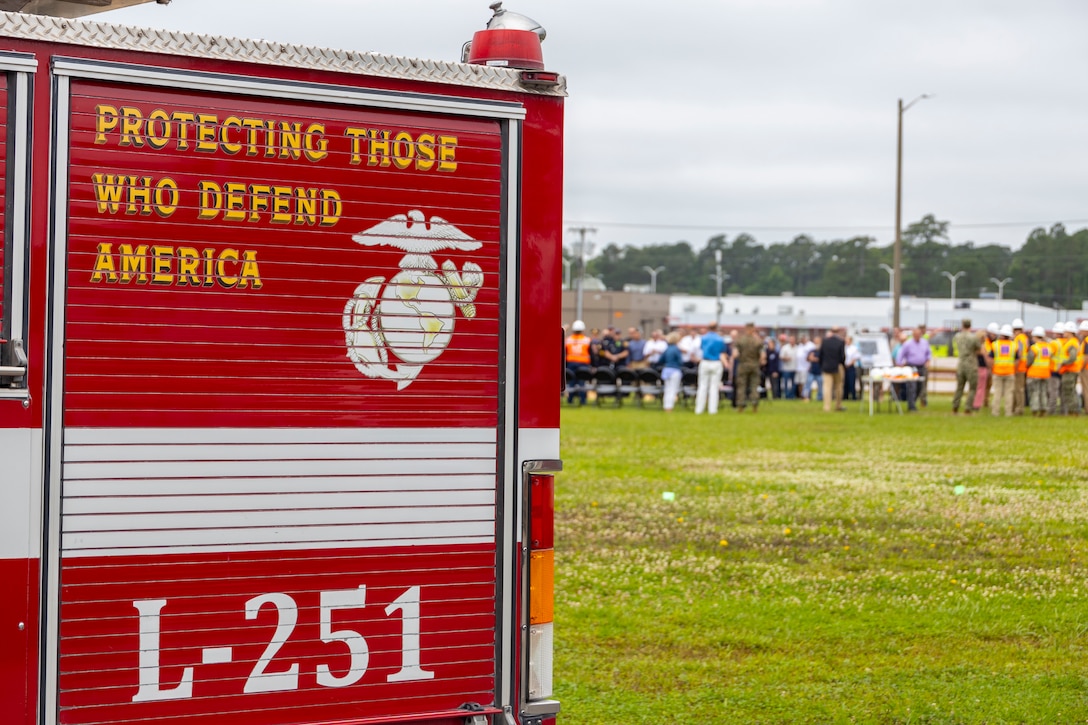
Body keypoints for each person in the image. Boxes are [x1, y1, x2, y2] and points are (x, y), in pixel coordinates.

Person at [895, 325, 931, 412]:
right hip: (911, 366)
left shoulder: (924, 343)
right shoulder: (908, 344)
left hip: (921, 367)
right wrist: (899, 363)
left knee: (920, 386)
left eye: (919, 334)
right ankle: (911, 406)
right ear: (913, 335)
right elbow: (901, 354)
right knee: (912, 386)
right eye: (916, 335)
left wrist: (928, 361)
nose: (917, 336)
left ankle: (913, 401)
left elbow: (928, 353)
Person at [694, 323, 729, 414]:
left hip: (705, 361)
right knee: (714, 387)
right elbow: (722, 351)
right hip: (716, 362)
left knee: (702, 386)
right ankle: (712, 409)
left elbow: (702, 348)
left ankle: (699, 409)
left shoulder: (703, 338)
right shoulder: (720, 339)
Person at [950, 318, 981, 414]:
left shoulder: (957, 336)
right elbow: (978, 349)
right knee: (972, 387)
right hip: (971, 363)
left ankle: (955, 406)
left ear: (962, 325)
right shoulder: (973, 337)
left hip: (961, 363)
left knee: (959, 386)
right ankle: (968, 407)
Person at [733, 322, 764, 412]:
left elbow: (735, 354)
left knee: (741, 386)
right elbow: (763, 356)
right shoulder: (758, 341)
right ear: (753, 329)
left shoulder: (740, 340)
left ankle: (741, 406)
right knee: (754, 386)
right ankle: (754, 406)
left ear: (746, 329)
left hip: (743, 365)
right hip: (754, 365)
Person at [989, 324, 1019, 417]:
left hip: (997, 372)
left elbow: (991, 359)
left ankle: (995, 412)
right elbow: (1017, 360)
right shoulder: (1014, 345)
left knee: (997, 393)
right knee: (1009, 393)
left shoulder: (995, 345)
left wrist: (992, 368)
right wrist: (1014, 369)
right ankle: (1008, 412)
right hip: (1010, 372)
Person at [818, 327, 847, 412]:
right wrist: (842, 365)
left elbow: (820, 355)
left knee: (827, 387)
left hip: (826, 366)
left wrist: (822, 364)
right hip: (837, 366)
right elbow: (842, 356)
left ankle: (827, 407)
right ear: (838, 332)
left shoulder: (825, 341)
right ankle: (838, 405)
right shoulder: (841, 342)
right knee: (838, 386)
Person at [1025, 326, 1052, 417]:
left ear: (1035, 337)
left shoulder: (1034, 348)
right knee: (1044, 392)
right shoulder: (1048, 347)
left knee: (1035, 392)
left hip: (1034, 373)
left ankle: (1035, 410)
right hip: (1045, 373)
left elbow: (1029, 361)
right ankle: (1044, 409)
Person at [564, 320, 592, 405]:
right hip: (583, 364)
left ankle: (570, 399)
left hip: (571, 363)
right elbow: (591, 353)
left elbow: (564, 352)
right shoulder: (587, 340)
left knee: (571, 382)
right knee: (582, 382)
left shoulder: (568, 340)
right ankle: (583, 400)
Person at [974, 322, 998, 411]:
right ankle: (979, 403)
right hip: (985, 366)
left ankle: (985, 401)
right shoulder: (986, 343)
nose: (994, 336)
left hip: (991, 366)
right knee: (981, 386)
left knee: (988, 386)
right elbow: (987, 355)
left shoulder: (995, 342)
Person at [1058, 321, 1081, 416]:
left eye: (1065, 331)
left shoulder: (1072, 343)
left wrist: (1062, 362)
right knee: (1071, 391)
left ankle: (1073, 411)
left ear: (1070, 332)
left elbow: (1072, 357)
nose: (1064, 332)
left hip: (1070, 370)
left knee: (1069, 391)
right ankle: (1073, 410)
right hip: (1070, 370)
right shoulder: (1071, 342)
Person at [660, 331, 684, 411]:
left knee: (667, 389)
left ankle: (666, 405)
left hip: (666, 370)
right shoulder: (676, 349)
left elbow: (660, 360)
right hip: (675, 370)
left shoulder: (667, 349)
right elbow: (680, 361)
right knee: (673, 389)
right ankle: (669, 406)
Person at [1011, 319, 1029, 416]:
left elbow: (1020, 352)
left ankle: (1019, 409)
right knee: (1018, 388)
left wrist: (1016, 364)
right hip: (1023, 366)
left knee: (1018, 389)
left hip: (1019, 367)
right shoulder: (1024, 338)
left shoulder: (1019, 339)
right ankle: (1016, 407)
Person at [1046, 322, 1063, 416]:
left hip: (1054, 370)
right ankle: (1064, 410)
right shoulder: (1067, 342)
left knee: (1053, 391)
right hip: (1064, 370)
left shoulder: (1054, 343)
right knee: (1063, 392)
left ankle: (1051, 410)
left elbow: (1048, 354)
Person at [796, 335, 815, 400]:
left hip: (806, 368)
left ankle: (807, 396)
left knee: (806, 383)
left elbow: (812, 356)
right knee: (800, 383)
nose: (802, 340)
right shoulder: (800, 345)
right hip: (798, 367)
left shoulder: (811, 345)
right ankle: (801, 396)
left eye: (803, 338)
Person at [805, 336, 823, 402]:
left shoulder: (822, 351)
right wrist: (810, 358)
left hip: (820, 371)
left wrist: (814, 359)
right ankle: (806, 397)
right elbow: (807, 359)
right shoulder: (812, 351)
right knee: (808, 385)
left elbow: (823, 360)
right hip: (811, 371)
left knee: (821, 386)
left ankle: (820, 398)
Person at [779, 335, 797, 399]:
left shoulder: (797, 348)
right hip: (786, 369)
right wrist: (786, 358)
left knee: (794, 383)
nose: (792, 341)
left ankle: (792, 395)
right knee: (786, 383)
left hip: (795, 368)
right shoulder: (785, 348)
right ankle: (786, 395)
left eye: (793, 340)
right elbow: (781, 357)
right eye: (791, 340)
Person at [844, 335, 861, 401]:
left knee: (851, 382)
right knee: (845, 382)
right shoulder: (844, 347)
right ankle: (845, 396)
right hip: (844, 366)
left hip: (851, 366)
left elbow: (856, 357)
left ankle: (853, 396)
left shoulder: (854, 348)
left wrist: (849, 364)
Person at [1079, 320, 1088, 414]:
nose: (1080, 332)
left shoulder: (1086, 341)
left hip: (1086, 368)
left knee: (1086, 389)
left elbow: (1086, 357)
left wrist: (1081, 367)